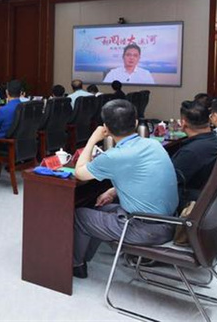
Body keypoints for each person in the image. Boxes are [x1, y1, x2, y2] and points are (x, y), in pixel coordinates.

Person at [72, 99, 178, 278]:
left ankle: (77, 265)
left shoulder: (114, 156)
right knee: (99, 208)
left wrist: (93, 139)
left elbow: (79, 173)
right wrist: (113, 190)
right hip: (170, 221)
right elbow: (145, 178)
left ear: (106, 128)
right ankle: (85, 257)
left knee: (81, 215)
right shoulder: (153, 144)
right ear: (135, 123)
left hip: (145, 229)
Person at [171, 100, 217, 206]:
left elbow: (169, 181)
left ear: (183, 123)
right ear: (209, 120)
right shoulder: (216, 140)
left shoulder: (190, 152)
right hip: (207, 196)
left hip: (188, 198)